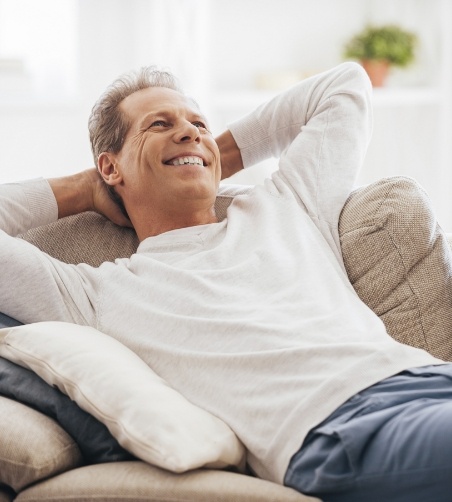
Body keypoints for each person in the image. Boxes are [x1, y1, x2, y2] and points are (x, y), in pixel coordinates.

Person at [0, 61, 451, 502]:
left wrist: (207, 156)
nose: (189, 129)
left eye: (198, 122)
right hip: (341, 428)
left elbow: (345, 87)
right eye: (158, 124)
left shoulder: (289, 205)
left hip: (429, 379)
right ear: (111, 167)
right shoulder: (93, 295)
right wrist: (83, 187)